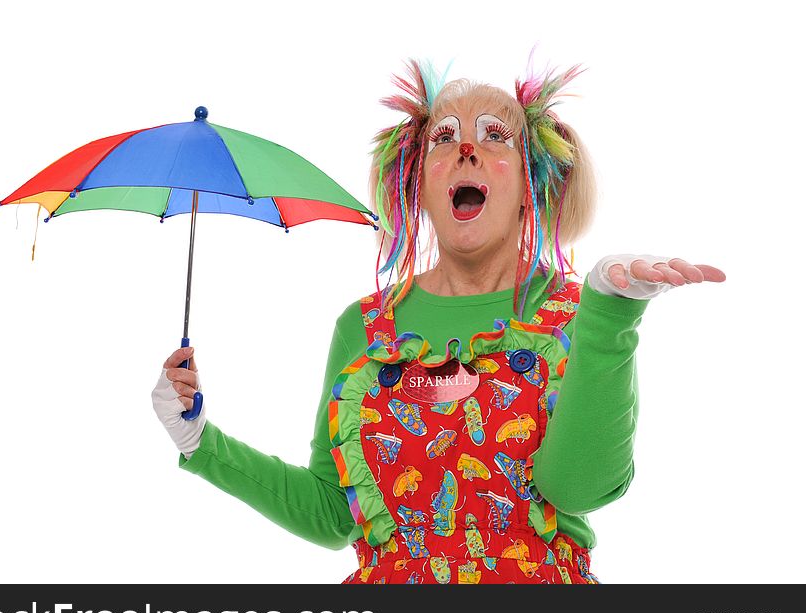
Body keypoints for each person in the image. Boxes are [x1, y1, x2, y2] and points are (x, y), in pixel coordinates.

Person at [152, 58, 726, 584]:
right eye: (443, 139)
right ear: (419, 187)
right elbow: (333, 514)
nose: (466, 150)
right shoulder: (364, 329)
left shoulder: (577, 315)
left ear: (532, 184)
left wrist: (611, 312)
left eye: (495, 136)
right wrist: (201, 442)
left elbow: (580, 488)